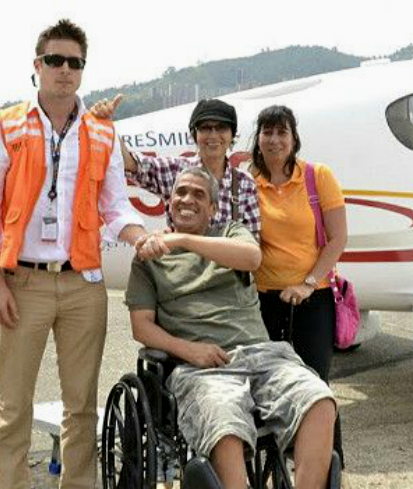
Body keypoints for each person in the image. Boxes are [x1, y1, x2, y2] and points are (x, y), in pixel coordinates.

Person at [0, 19, 148, 488]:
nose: (64, 70)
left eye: (74, 62)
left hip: (82, 284)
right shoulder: (3, 125)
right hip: (22, 285)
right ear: (37, 66)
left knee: (81, 408)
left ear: (82, 70)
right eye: (55, 60)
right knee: (12, 407)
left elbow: (115, 205)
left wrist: (141, 237)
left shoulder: (102, 133)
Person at [127, 167, 336, 489]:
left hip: (265, 356)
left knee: (319, 400)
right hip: (203, 369)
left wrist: (182, 239)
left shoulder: (230, 232)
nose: (187, 200)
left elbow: (252, 258)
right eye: (181, 192)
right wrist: (189, 350)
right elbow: (142, 327)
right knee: (224, 422)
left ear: (213, 208)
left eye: (199, 194)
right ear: (168, 203)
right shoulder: (148, 258)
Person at [250, 105, 348, 464]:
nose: (274, 140)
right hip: (261, 300)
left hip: (311, 300)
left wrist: (307, 284)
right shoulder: (248, 183)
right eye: (267, 132)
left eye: (282, 133)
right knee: (267, 388)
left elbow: (337, 239)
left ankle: (326, 471)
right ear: (257, 139)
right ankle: (278, 467)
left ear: (294, 139)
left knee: (315, 386)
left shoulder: (317, 177)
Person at [90, 96, 261, 237]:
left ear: (232, 135)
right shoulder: (176, 171)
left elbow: (253, 240)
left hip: (226, 274)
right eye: (205, 128)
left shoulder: (244, 183)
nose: (213, 135)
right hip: (182, 272)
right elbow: (130, 162)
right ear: (195, 135)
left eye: (221, 128)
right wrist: (106, 125)